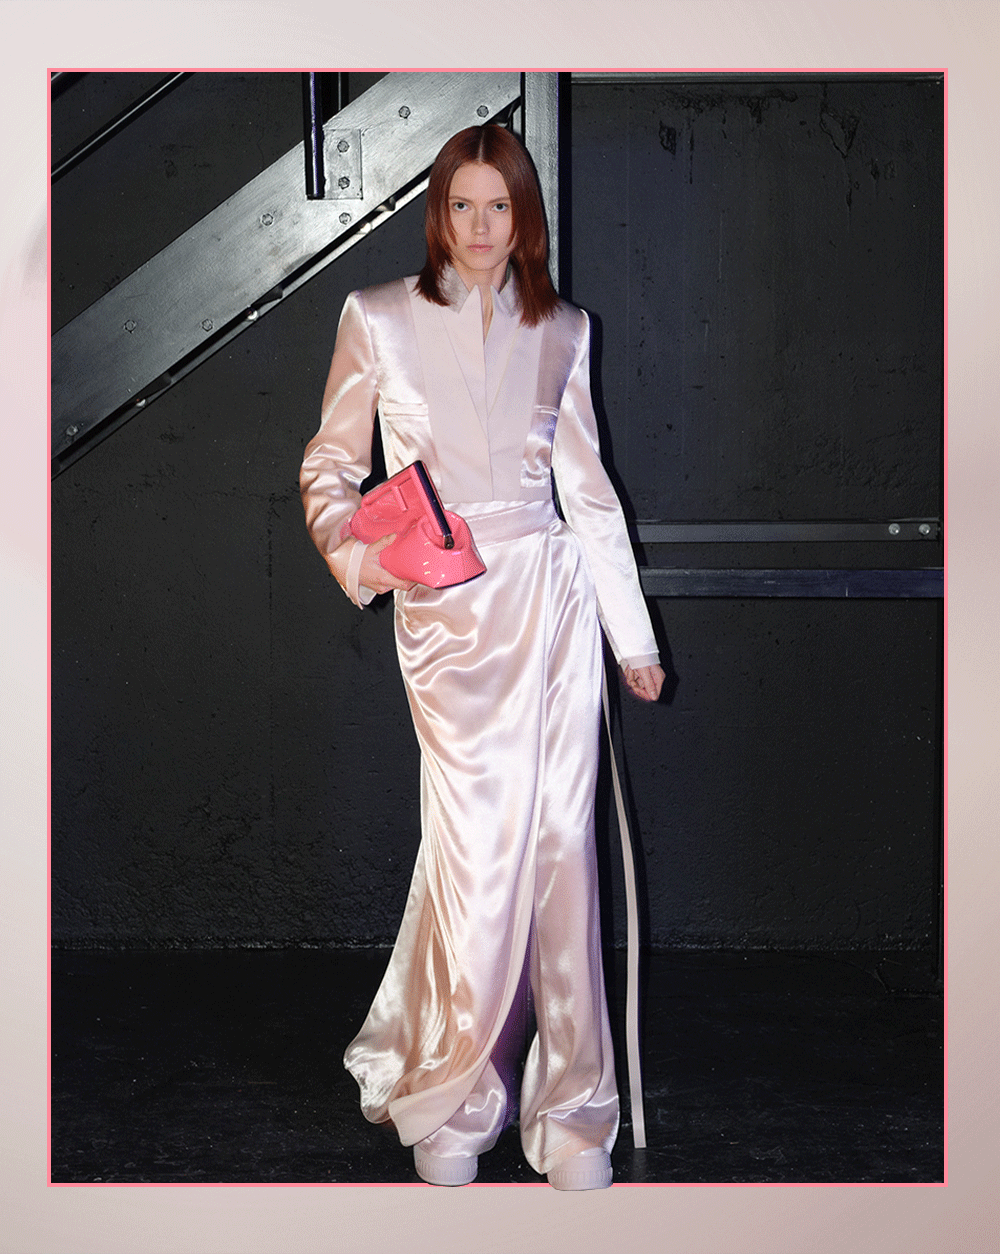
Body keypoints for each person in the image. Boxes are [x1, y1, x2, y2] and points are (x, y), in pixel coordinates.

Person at [300, 124, 664, 1190]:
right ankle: (457, 1096)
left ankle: (575, 1113)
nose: (478, 226)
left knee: (562, 854)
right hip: (448, 614)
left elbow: (589, 494)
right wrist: (369, 560)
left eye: (497, 206)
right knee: (473, 851)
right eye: (461, 205)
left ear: (523, 217)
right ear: (438, 213)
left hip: (553, 608)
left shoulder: (566, 329)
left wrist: (631, 636)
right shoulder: (376, 316)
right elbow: (328, 467)